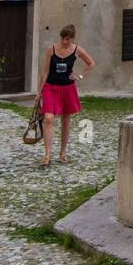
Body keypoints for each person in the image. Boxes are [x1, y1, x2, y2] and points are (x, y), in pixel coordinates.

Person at [38, 24, 94, 166]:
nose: (64, 41)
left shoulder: (76, 50)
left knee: (66, 119)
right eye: (63, 38)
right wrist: (39, 91)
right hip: (51, 87)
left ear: (72, 39)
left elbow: (91, 63)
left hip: (68, 88)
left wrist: (80, 76)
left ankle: (63, 152)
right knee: (49, 118)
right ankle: (47, 154)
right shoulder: (51, 50)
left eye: (67, 39)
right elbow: (45, 71)